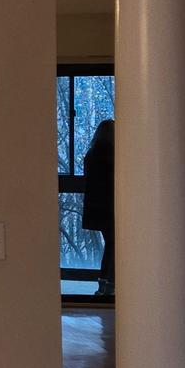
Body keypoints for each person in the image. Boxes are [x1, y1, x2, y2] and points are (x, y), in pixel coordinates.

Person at [80, 118, 115, 296]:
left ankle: (105, 282)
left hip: (97, 207)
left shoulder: (92, 154)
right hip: (110, 207)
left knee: (111, 243)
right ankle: (109, 282)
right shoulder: (112, 155)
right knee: (114, 244)